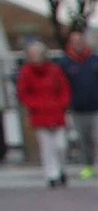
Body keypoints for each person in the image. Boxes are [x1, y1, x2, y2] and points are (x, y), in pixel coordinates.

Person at [59, 27, 98, 180]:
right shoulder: (65, 63)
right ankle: (88, 166)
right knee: (83, 139)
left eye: (80, 40)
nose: (78, 44)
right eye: (74, 41)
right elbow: (61, 85)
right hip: (78, 108)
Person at [15, 40, 71, 188]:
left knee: (61, 145)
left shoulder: (54, 70)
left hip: (56, 113)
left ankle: (61, 169)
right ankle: (51, 174)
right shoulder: (26, 72)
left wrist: (62, 104)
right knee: (47, 147)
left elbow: (64, 89)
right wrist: (34, 105)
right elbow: (24, 93)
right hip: (40, 114)